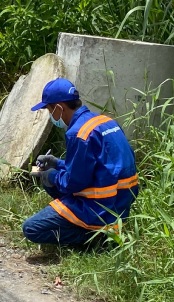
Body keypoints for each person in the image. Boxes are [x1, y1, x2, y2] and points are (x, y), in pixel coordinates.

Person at [23, 78, 139, 245]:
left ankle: (95, 238)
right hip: (121, 202)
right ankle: (97, 229)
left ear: (59, 108)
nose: (50, 116)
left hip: (99, 207)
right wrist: (57, 163)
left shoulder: (78, 133)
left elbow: (74, 182)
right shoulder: (105, 122)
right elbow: (93, 167)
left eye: (49, 110)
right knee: (52, 180)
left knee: (31, 228)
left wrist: (51, 176)